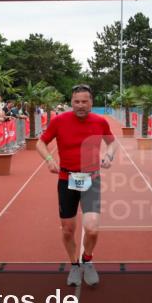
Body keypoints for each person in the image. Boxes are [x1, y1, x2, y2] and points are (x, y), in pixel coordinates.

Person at [36, 84, 116, 287]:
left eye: (84, 101)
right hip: (66, 180)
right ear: (71, 102)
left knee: (92, 229)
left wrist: (108, 155)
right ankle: (74, 265)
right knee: (67, 230)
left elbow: (112, 142)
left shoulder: (100, 121)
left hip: (92, 180)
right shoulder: (59, 121)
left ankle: (87, 260)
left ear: (91, 102)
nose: (80, 105)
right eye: (76, 101)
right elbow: (40, 143)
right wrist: (48, 160)